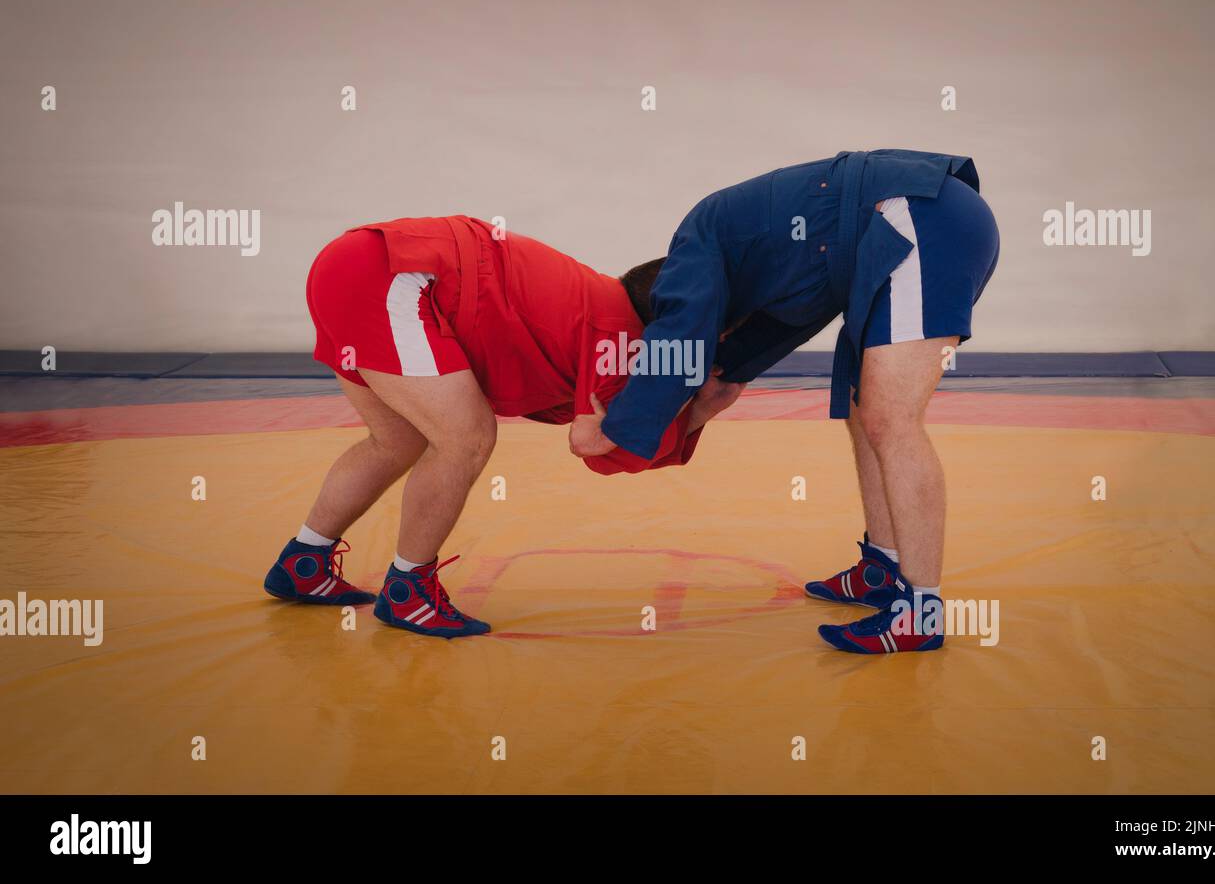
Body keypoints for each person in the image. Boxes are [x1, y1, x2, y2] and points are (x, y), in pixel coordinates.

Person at [570, 150, 1000, 656]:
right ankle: (884, 569)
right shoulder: (766, 272)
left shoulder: (696, 241)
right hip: (911, 223)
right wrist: (699, 407)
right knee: (867, 411)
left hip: (922, 213)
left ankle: (920, 612)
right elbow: (728, 370)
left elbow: (680, 335)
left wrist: (613, 431)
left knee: (892, 417)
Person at [262, 216, 736, 638]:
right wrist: (699, 411)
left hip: (362, 264)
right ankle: (409, 591)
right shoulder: (620, 335)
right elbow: (603, 448)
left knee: (398, 439)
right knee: (465, 438)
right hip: (397, 276)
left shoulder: (598, 300)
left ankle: (305, 562)